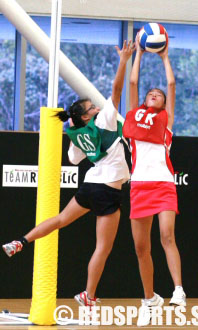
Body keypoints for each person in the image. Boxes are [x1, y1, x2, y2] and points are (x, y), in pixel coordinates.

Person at [2, 40, 135, 309]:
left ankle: (21, 241)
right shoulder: (105, 121)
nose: (96, 107)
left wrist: (74, 128)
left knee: (60, 219)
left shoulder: (78, 133)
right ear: (87, 116)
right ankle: (88, 294)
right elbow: (117, 89)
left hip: (90, 185)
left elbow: (74, 159)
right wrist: (123, 60)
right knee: (102, 248)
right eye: (91, 107)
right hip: (109, 188)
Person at [122, 33, 186, 326]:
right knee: (140, 248)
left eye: (158, 96)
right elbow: (132, 84)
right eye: (152, 94)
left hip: (162, 183)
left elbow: (171, 84)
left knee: (167, 235)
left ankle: (178, 290)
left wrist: (163, 56)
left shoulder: (166, 120)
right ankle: (150, 298)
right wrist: (139, 55)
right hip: (139, 184)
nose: (156, 95)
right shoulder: (134, 116)